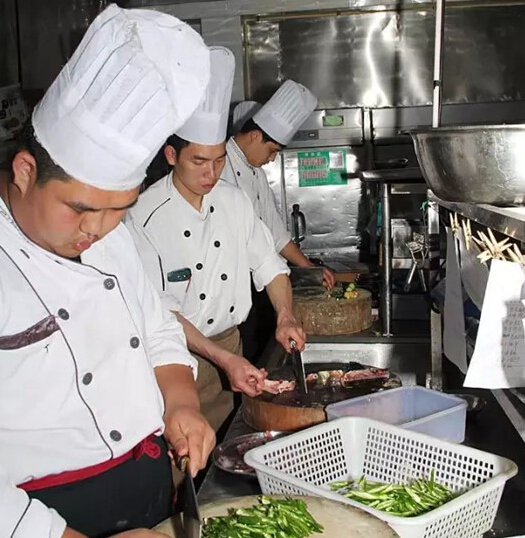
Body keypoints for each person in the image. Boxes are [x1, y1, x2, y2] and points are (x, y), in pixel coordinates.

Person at [0, 6, 216, 538]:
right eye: (80, 208)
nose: (96, 229)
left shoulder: (114, 236)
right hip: (43, 518)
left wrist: (181, 402)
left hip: (148, 489)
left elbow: (156, 328)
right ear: (25, 172)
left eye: (119, 208)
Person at [125, 47, 306, 433]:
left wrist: (285, 316)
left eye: (220, 159)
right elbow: (160, 312)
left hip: (230, 345)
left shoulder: (234, 200)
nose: (212, 173)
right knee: (183, 452)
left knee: (229, 441)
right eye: (199, 161)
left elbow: (269, 264)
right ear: (171, 155)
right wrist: (223, 360)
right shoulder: (142, 215)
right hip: (175, 360)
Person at [224, 81, 336, 290]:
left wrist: (309, 268)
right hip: (231, 282)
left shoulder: (257, 174)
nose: (272, 159)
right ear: (256, 136)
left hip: (260, 279)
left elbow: (275, 232)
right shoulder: (220, 166)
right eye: (272, 151)